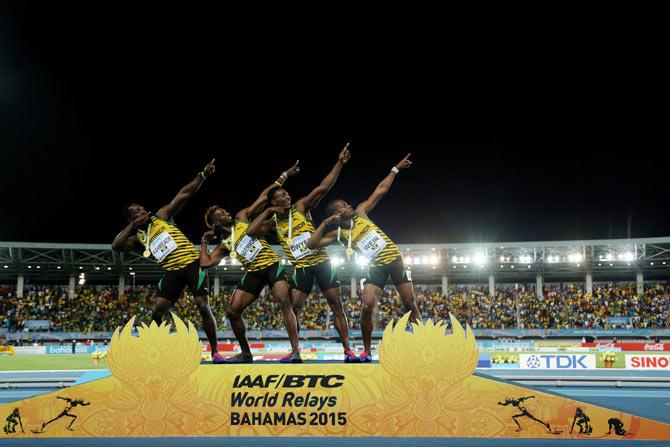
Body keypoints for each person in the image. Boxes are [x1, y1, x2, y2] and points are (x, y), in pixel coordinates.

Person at [306, 154, 420, 362]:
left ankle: (424, 345)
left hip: (395, 260)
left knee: (409, 302)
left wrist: (395, 168)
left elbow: (380, 190)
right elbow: (311, 245)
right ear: (338, 212)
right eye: (344, 204)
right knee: (366, 306)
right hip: (376, 267)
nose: (349, 205)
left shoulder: (361, 212)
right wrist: (325, 223)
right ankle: (367, 351)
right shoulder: (338, 235)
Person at [112, 159, 224, 363]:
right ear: (130, 219)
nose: (141, 212)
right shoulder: (137, 239)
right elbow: (116, 245)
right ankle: (156, 351)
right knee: (157, 310)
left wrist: (203, 175)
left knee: (202, 304)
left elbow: (184, 195)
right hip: (171, 271)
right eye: (135, 212)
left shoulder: (161, 216)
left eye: (141, 209)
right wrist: (133, 227)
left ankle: (215, 352)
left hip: (192, 263)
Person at [201, 163, 303, 363]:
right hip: (254, 273)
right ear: (216, 222)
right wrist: (204, 243)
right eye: (221, 213)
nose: (226, 212)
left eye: (225, 210)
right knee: (232, 312)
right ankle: (246, 353)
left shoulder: (242, 218)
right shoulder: (224, 245)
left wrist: (284, 176)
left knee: (284, 302)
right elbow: (205, 264)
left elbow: (264, 198)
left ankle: (295, 351)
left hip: (272, 265)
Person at [267, 144, 357, 362]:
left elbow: (323, 187)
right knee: (293, 307)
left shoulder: (300, 207)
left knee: (337, 305)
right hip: (302, 267)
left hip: (322, 262)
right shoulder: (271, 223)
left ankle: (348, 351)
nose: (287, 196)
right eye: (282, 195)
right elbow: (251, 230)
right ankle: (296, 352)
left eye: (287, 193)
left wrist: (339, 163)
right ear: (273, 202)